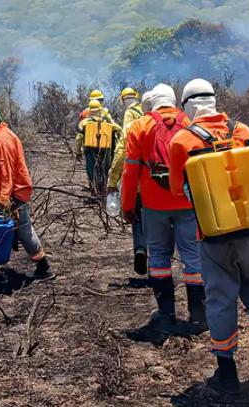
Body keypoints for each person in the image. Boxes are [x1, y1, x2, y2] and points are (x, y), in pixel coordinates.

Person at [169, 79, 249, 394]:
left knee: (221, 299)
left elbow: (175, 190)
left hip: (213, 236)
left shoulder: (182, 141)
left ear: (188, 107)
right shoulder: (244, 131)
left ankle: (227, 372)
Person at [121, 83, 207, 344]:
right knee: (192, 257)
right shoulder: (190, 122)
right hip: (187, 203)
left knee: (158, 257)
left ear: (153, 102)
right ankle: (199, 315)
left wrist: (127, 206)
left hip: (153, 204)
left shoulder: (140, 126)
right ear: (174, 101)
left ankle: (167, 314)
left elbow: (130, 170)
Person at [0, 106, 54, 282]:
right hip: (5, 193)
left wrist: (5, 198)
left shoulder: (2, 140)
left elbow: (8, 173)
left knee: (23, 231)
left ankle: (44, 267)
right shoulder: (2, 135)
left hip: (13, 194)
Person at [108, 87, 147, 275]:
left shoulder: (130, 115)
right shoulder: (151, 112)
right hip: (162, 180)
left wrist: (112, 179)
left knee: (138, 216)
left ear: (123, 100)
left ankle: (140, 249)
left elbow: (123, 145)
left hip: (139, 177)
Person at [76, 99, 121, 195]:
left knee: (91, 169)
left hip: (90, 150)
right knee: (105, 169)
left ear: (90, 110)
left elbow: (79, 138)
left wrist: (78, 151)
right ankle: (105, 188)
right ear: (100, 109)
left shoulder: (84, 122)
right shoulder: (107, 122)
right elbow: (119, 129)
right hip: (105, 150)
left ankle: (94, 189)